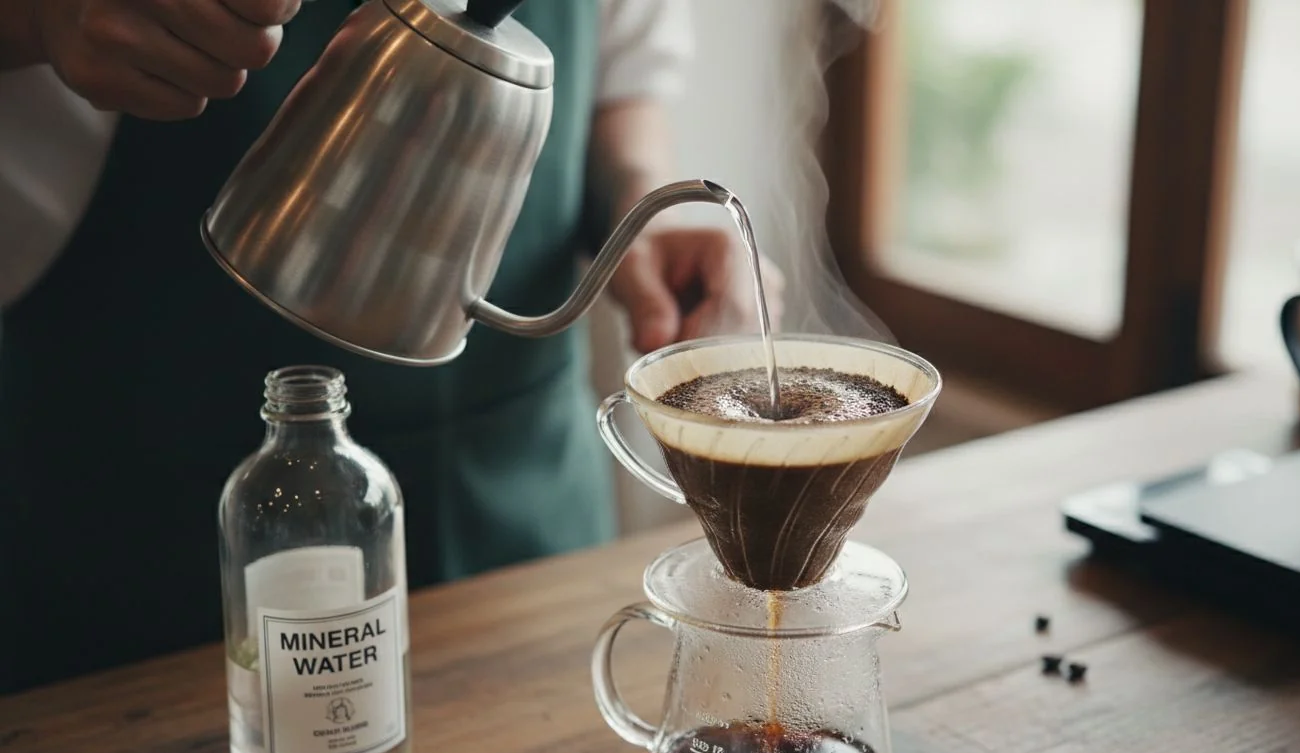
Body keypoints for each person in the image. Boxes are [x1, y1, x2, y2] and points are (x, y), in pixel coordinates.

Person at [0, 0, 783, 694]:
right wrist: (37, 19)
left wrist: (649, 203)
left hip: (522, 534)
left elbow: (624, 69)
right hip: (142, 579)